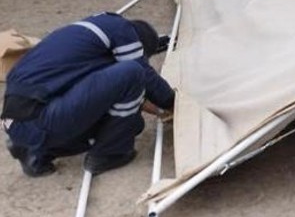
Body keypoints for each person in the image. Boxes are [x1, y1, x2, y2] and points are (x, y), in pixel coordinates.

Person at [2, 12, 174, 177]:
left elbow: (99, 92)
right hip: (42, 115)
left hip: (18, 122)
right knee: (133, 72)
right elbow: (142, 74)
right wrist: (172, 103)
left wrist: (157, 110)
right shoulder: (122, 29)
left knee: (133, 124)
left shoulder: (85, 38)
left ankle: (33, 151)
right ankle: (108, 154)